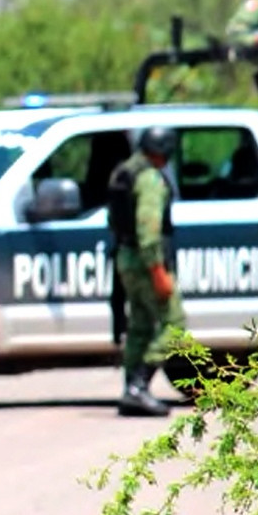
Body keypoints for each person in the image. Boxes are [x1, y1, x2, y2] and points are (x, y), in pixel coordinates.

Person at [106, 126, 185, 418]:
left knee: (139, 324)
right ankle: (139, 385)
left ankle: (131, 390)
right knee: (174, 324)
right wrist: (158, 271)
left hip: (126, 258)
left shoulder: (124, 172)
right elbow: (148, 228)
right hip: (145, 262)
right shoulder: (149, 178)